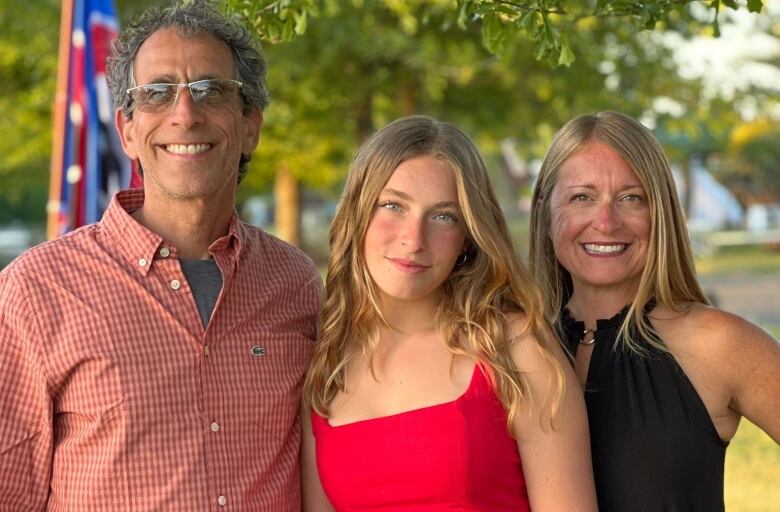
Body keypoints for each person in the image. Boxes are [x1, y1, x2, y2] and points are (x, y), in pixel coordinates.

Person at [0, 2, 321, 510]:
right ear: (128, 130)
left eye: (210, 91)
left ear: (251, 126)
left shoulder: (295, 283)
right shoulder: (36, 290)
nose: (185, 115)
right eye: (157, 93)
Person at [300, 115, 597, 511]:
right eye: (393, 206)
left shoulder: (515, 347)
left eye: (443, 216)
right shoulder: (324, 366)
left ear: (468, 237)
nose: (413, 239)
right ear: (357, 214)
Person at [529, 110, 780, 512]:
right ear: (543, 209)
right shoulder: (510, 345)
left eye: (632, 198)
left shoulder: (717, 344)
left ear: (660, 212)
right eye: (582, 197)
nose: (606, 222)